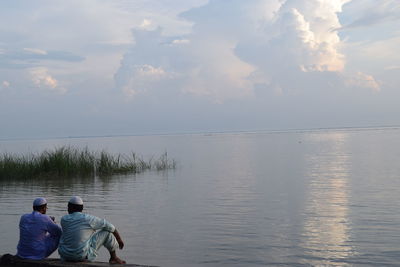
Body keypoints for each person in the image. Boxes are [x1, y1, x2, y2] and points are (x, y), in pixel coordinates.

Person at [58, 196, 126, 264]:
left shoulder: (64, 219)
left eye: (68, 207)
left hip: (65, 256)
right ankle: (113, 257)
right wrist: (119, 239)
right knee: (107, 232)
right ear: (82, 208)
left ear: (70, 207)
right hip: (81, 256)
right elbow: (110, 226)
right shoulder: (88, 219)